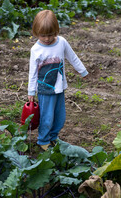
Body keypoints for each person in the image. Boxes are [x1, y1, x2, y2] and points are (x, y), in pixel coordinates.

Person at [28, 10, 88, 151]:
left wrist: (82, 70)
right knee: (47, 117)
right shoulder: (36, 49)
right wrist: (31, 90)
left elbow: (72, 57)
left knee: (60, 116)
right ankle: (43, 140)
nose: (47, 39)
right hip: (45, 90)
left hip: (59, 87)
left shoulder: (62, 43)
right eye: (43, 36)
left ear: (56, 31)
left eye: (50, 35)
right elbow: (32, 72)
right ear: (36, 33)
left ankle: (53, 137)